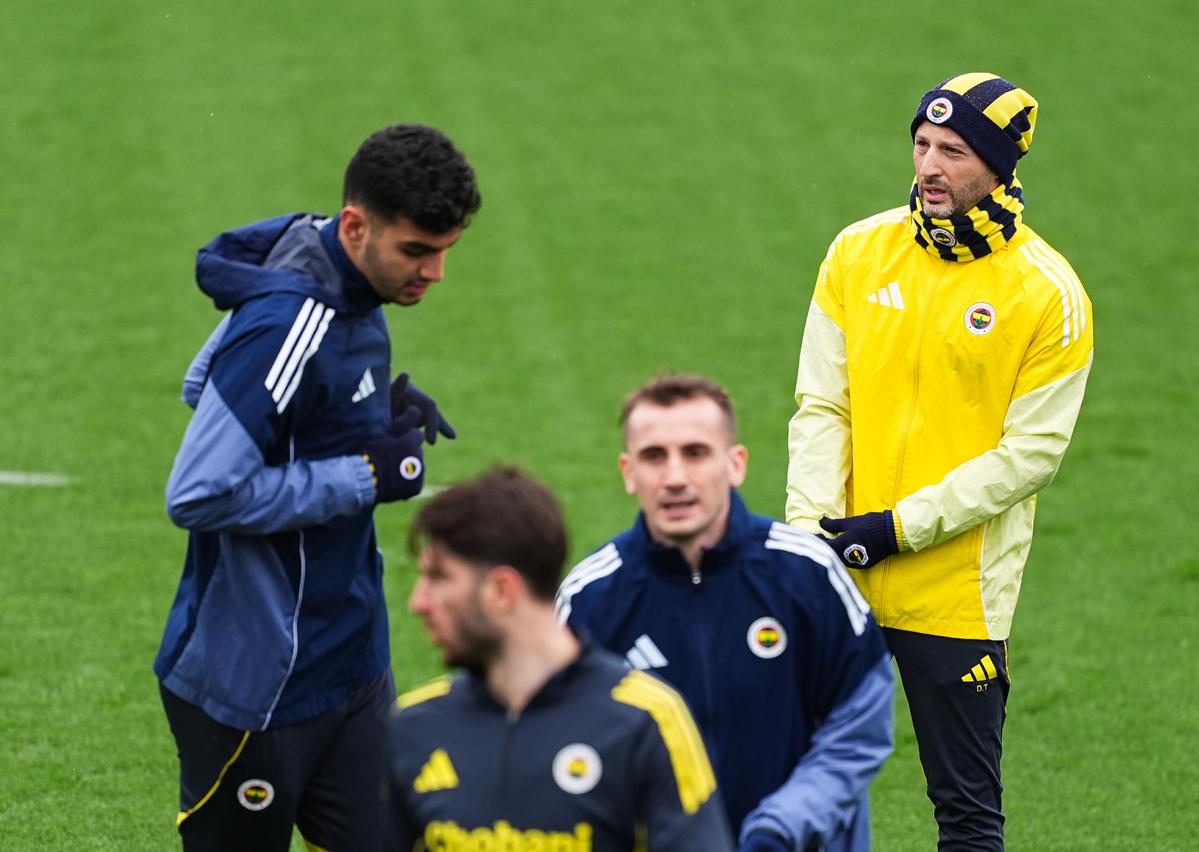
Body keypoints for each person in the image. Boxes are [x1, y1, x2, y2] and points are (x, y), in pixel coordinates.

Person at [786, 73, 1095, 850]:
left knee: (965, 816)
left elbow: (1029, 457)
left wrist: (895, 529)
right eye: (922, 145)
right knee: (791, 786)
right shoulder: (859, 252)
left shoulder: (1049, 295)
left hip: (956, 595)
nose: (929, 166)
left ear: (998, 169)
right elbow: (824, 405)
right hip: (836, 572)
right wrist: (806, 537)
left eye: (953, 152)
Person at [154, 123, 481, 851]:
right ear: (357, 225)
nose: (434, 273)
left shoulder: (352, 282)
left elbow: (207, 384)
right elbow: (198, 492)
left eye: (446, 252)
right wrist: (363, 472)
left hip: (352, 665)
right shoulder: (290, 320)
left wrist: (359, 409)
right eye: (418, 252)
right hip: (258, 689)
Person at [556, 374, 895, 852]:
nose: (675, 477)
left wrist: (782, 825)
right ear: (629, 472)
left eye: (695, 453)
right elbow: (562, 747)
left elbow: (860, 724)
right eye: (655, 456)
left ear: (735, 465)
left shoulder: (808, 575)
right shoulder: (590, 598)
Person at [386, 466, 733, 852]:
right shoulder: (413, 727)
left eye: (439, 578)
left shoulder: (646, 721)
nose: (418, 602)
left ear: (502, 590)